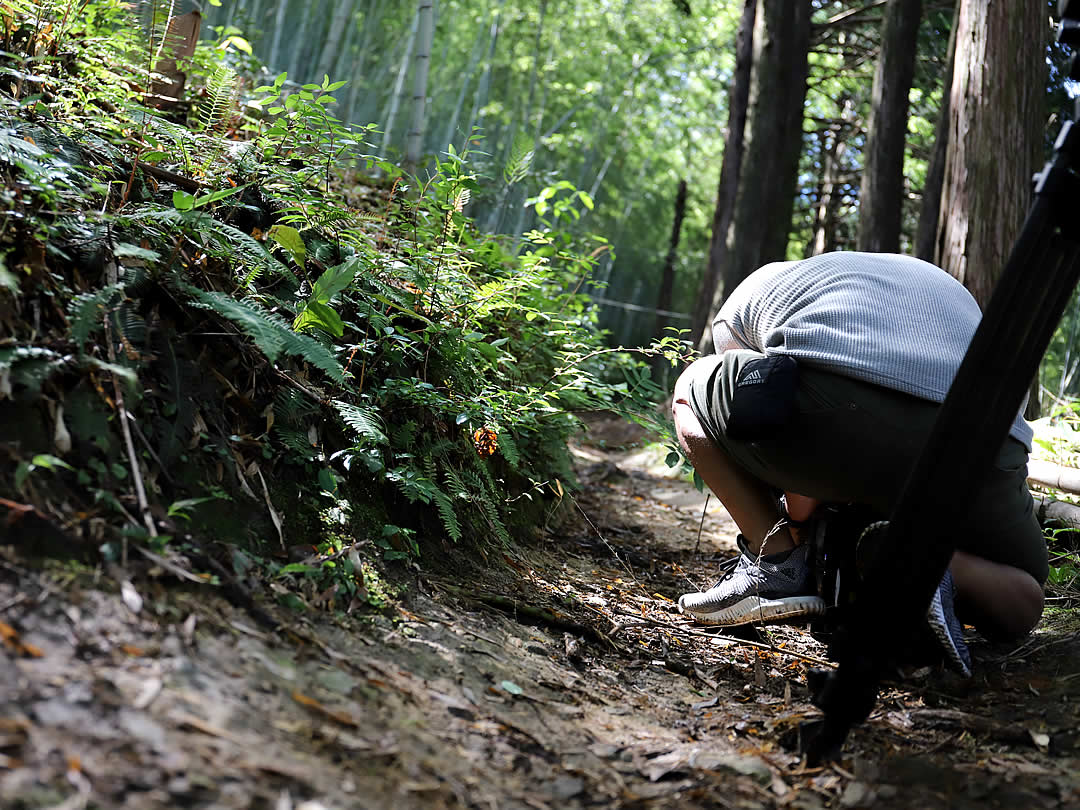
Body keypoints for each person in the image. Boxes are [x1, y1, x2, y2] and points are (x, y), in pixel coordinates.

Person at [671, 252, 1047, 676]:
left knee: (691, 387)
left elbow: (769, 413)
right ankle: (929, 560)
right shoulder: (924, 283)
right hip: (989, 440)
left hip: (850, 408)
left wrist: (795, 522)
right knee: (1027, 591)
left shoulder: (741, 311)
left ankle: (774, 563)